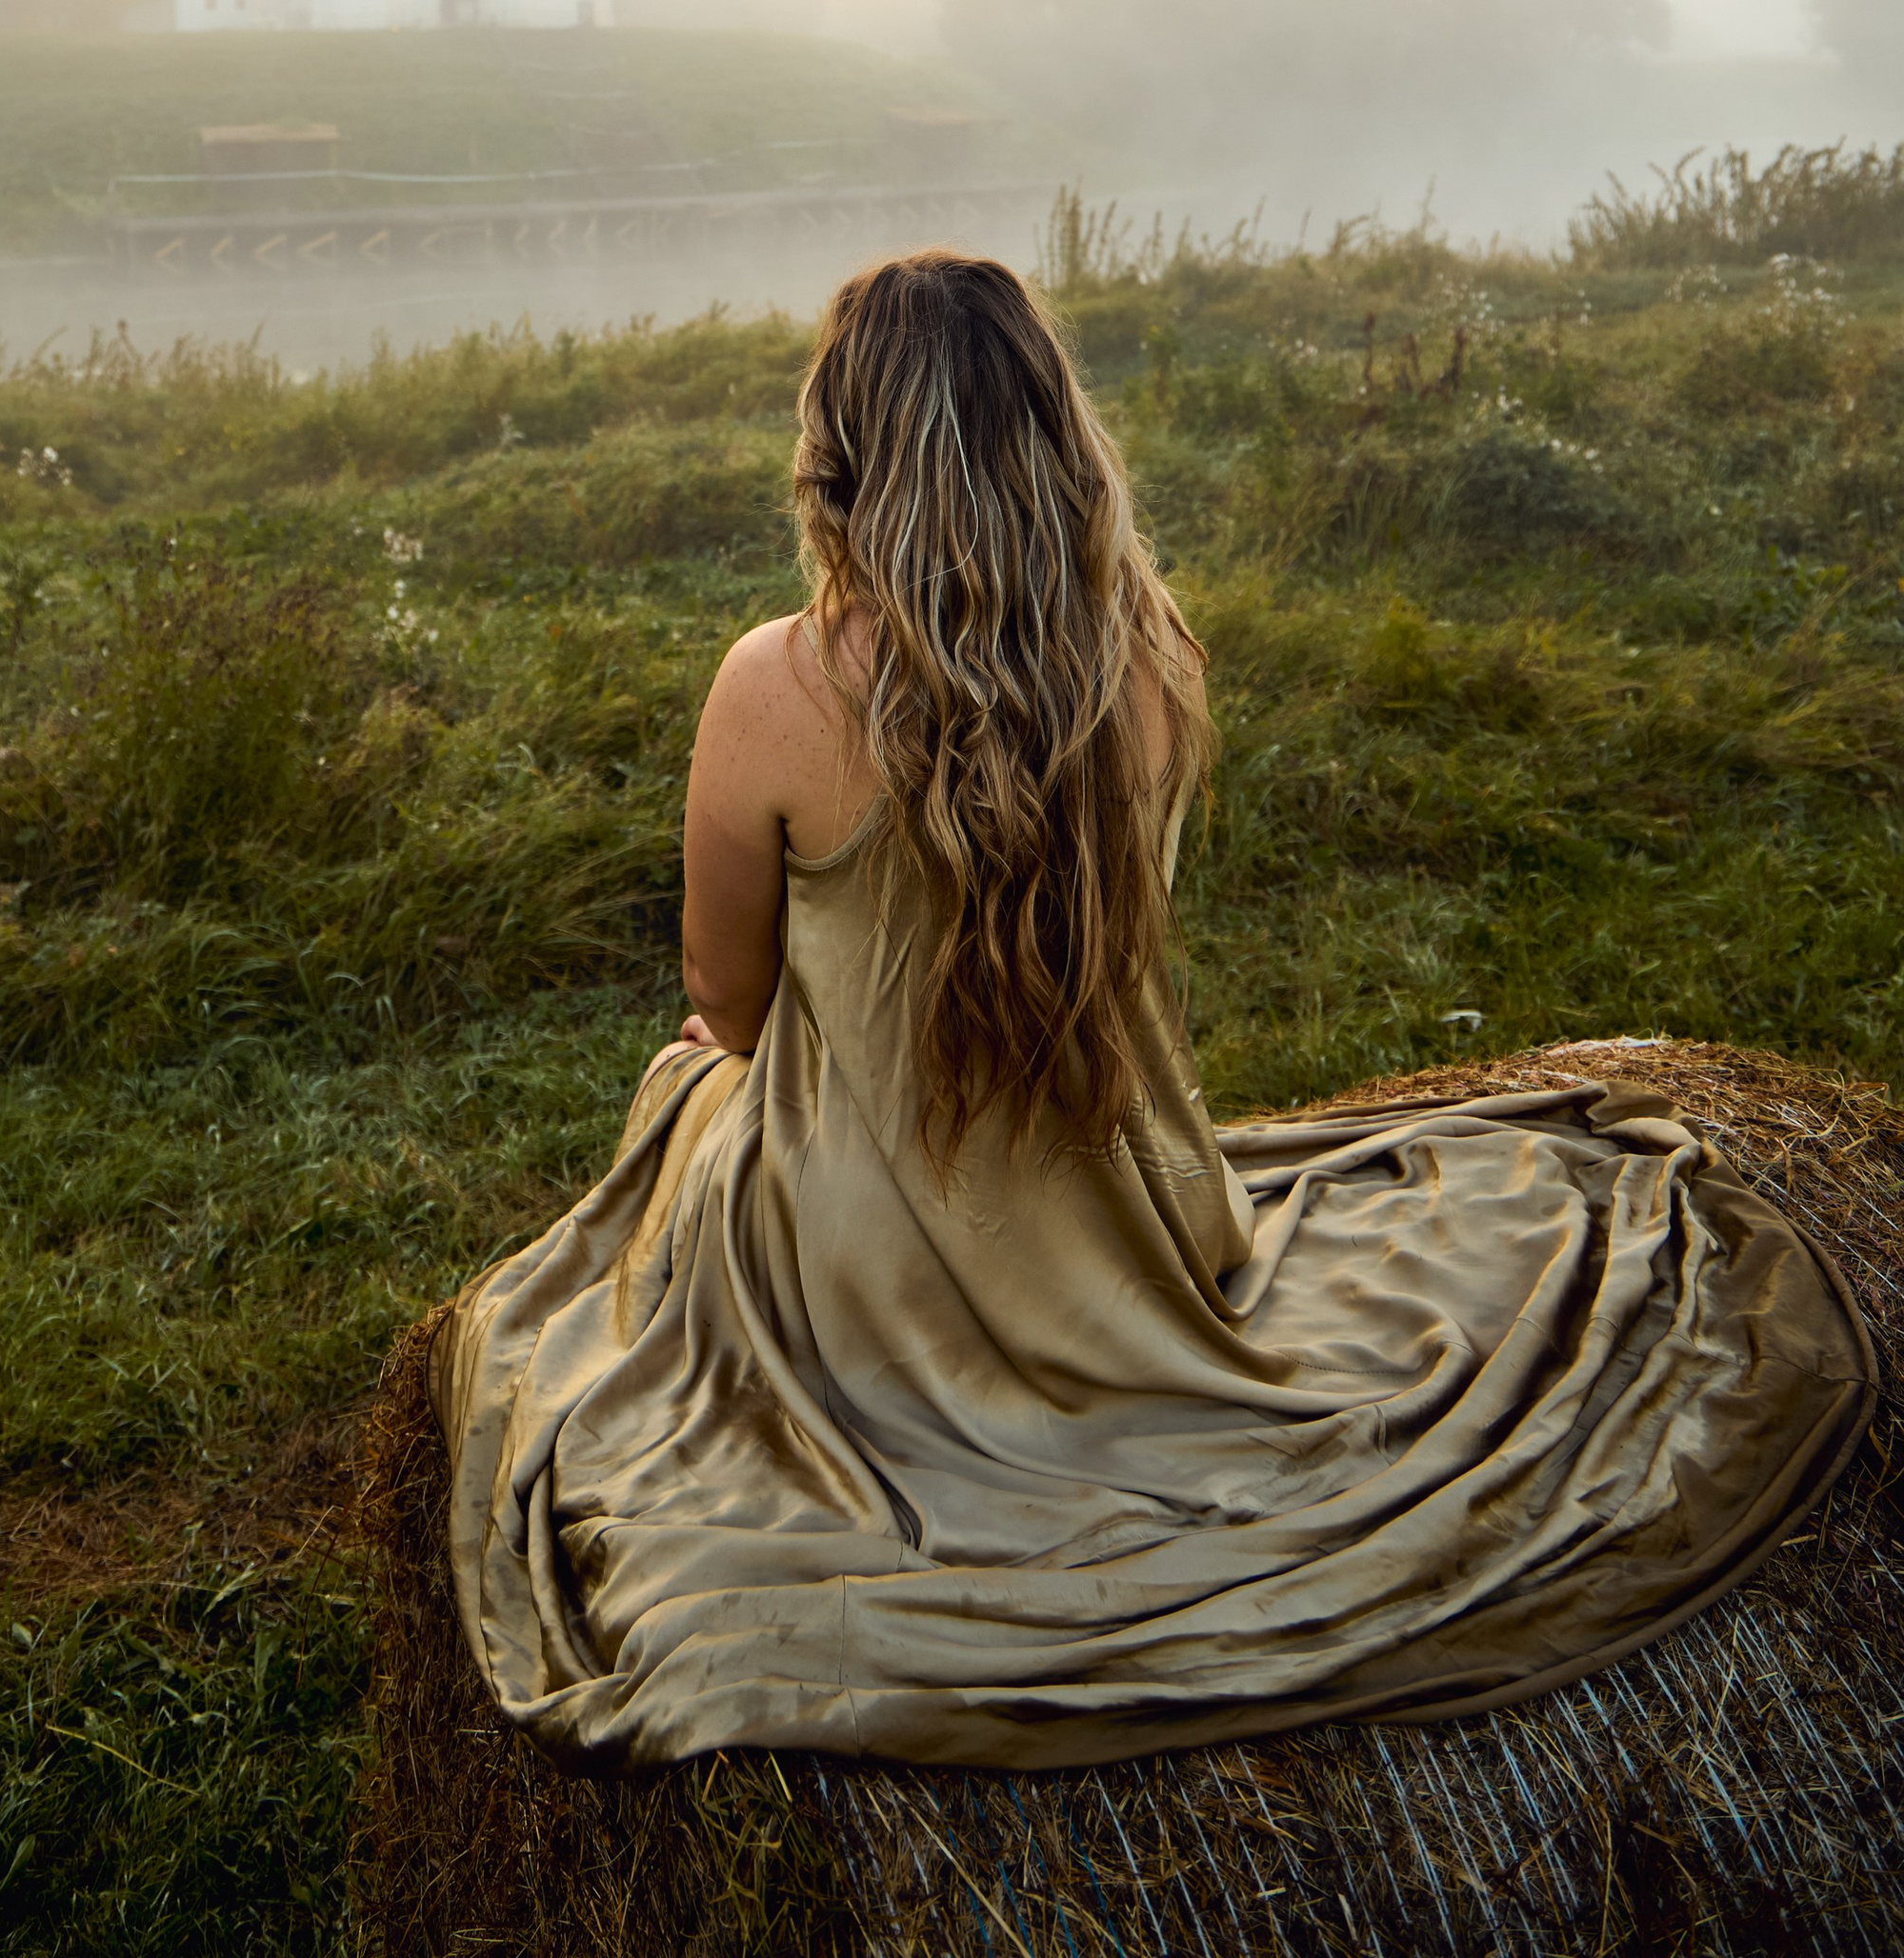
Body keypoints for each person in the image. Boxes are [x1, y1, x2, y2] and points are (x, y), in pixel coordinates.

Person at [432, 252, 1874, 1768]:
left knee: (683, 1092)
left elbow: (724, 1000)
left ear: (839, 456)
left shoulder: (773, 683)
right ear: (1055, 432)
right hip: (1126, 1206)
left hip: (858, 1270)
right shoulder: (1150, 658)